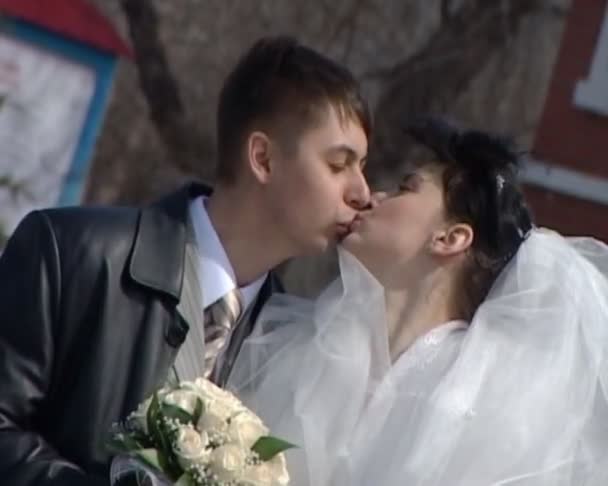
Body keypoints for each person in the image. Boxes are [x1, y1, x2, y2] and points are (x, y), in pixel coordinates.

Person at [0, 36, 371, 485]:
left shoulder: (291, 346)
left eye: (363, 167)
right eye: (339, 164)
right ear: (263, 158)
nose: (361, 193)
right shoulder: (72, 254)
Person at [228, 116, 608, 485]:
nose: (372, 197)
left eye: (405, 189)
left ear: (450, 238)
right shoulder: (299, 349)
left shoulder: (477, 414)